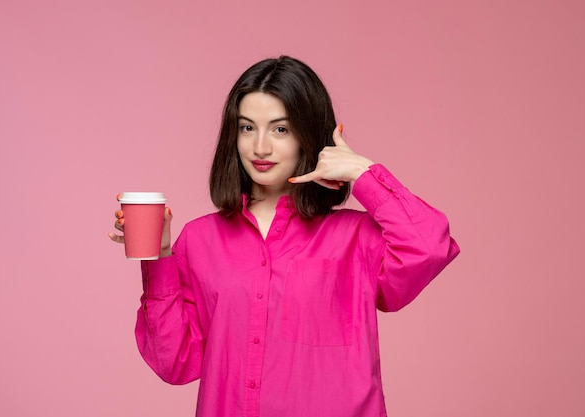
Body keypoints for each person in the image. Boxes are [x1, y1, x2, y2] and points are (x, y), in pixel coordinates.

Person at [109, 55, 460, 417]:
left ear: (308, 135)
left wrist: (363, 173)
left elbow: (429, 246)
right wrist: (160, 255)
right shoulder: (199, 240)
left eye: (280, 129)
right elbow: (174, 362)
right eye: (247, 128)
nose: (260, 147)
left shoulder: (355, 237)